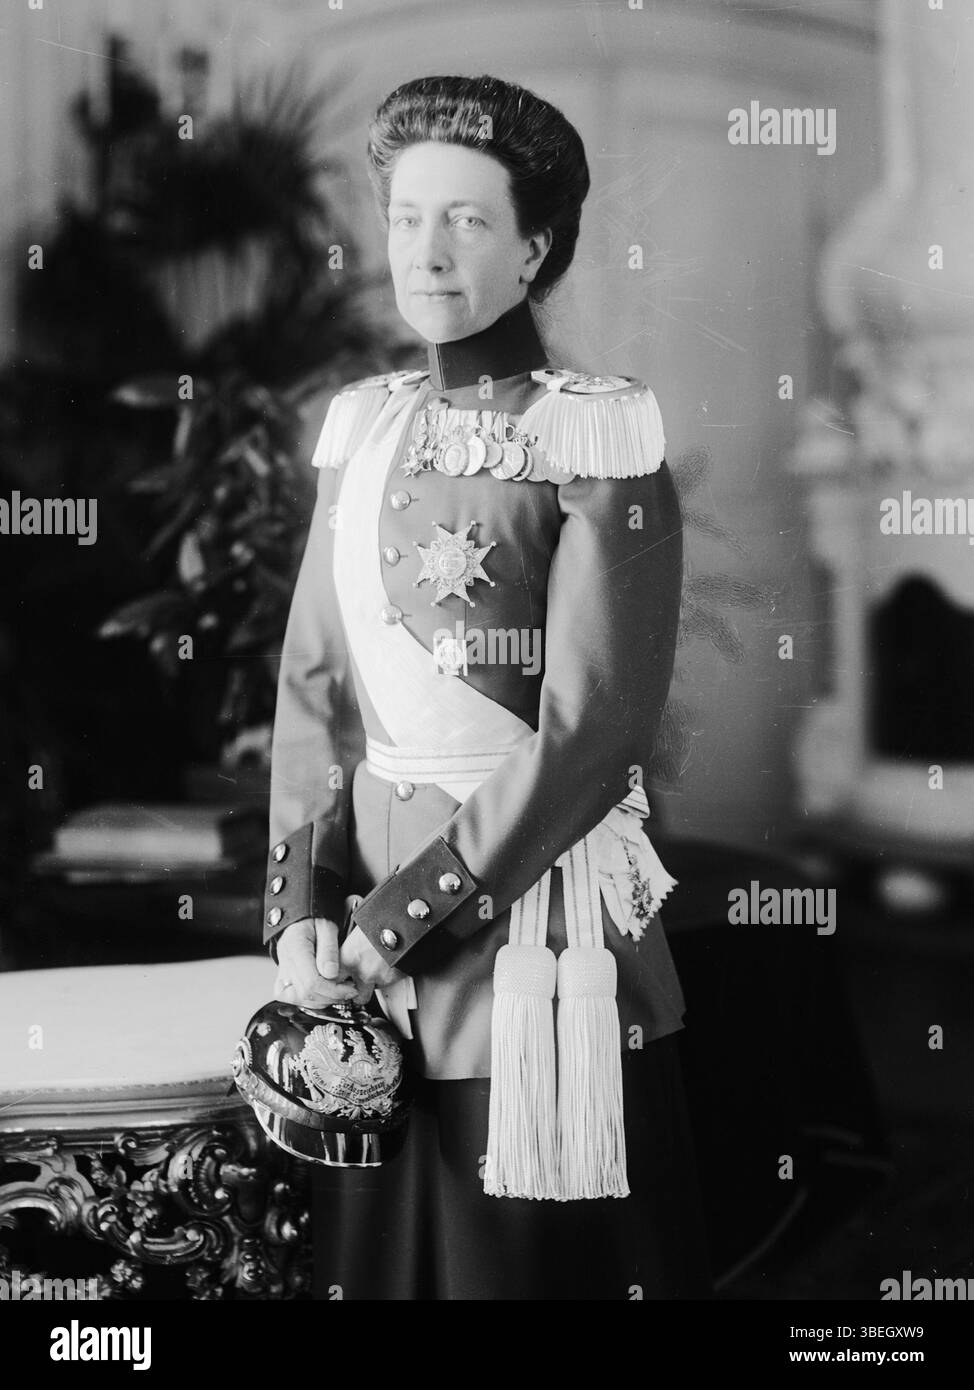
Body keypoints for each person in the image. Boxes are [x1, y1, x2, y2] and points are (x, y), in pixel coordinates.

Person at [261, 73, 712, 1300]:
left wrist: (400, 916)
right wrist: (306, 900)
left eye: (465, 221)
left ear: (534, 247)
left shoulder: (595, 436)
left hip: (530, 935)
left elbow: (591, 729)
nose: (428, 252)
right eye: (408, 218)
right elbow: (315, 688)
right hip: (358, 947)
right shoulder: (360, 428)